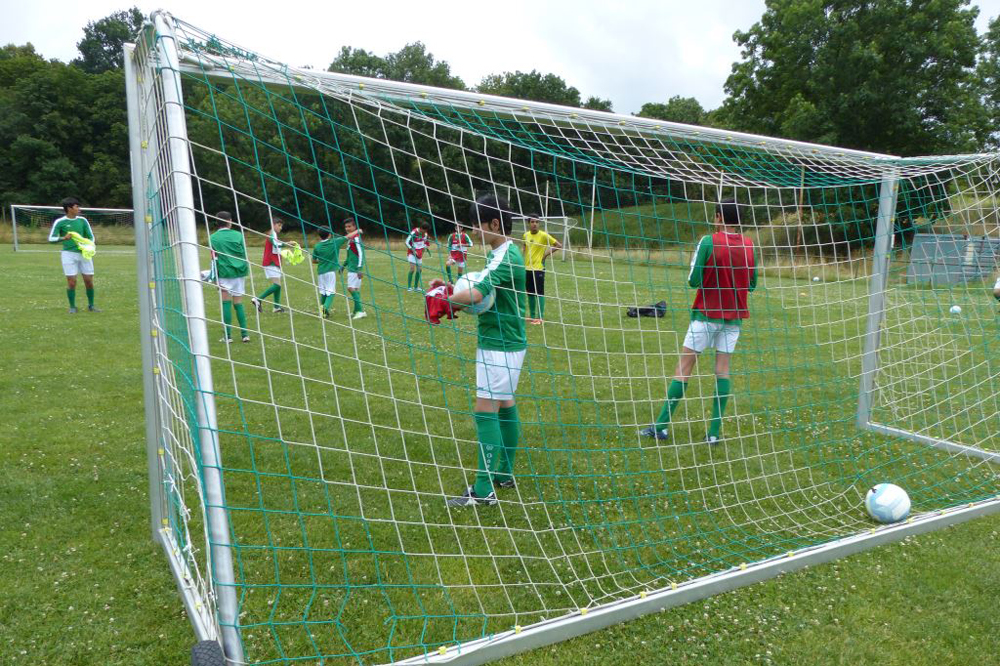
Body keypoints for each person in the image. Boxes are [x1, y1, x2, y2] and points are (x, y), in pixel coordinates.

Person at [641, 199, 757, 445]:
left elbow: (693, 280)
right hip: (734, 319)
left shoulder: (708, 241)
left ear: (717, 217)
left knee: (683, 369)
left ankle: (660, 427)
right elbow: (752, 283)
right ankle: (713, 433)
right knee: (722, 371)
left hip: (705, 315)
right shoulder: (749, 245)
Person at [447, 195, 527, 508]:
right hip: (507, 343)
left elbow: (479, 293)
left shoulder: (507, 256)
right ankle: (503, 473)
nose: (474, 232)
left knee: (485, 411)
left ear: (494, 223)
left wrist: (445, 302)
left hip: (500, 345)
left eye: (477, 225)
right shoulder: (503, 253)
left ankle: (483, 490)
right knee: (505, 403)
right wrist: (450, 290)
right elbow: (480, 288)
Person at [48, 197, 98, 313]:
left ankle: (91, 306)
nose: (79, 209)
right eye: (76, 206)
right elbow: (51, 238)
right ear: (69, 208)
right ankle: (72, 307)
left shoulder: (82, 221)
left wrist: (87, 245)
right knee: (71, 281)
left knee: (89, 281)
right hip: (68, 254)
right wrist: (62, 238)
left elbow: (91, 237)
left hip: (84, 254)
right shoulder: (60, 222)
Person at [209, 212, 251, 343]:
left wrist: (213, 277)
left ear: (217, 222)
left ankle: (228, 336)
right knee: (238, 302)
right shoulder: (239, 235)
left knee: (225, 302)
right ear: (230, 221)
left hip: (224, 273)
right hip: (239, 272)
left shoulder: (213, 237)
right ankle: (245, 335)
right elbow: (244, 254)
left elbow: (213, 258)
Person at [521, 215, 561, 324]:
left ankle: (540, 318)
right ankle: (532, 316)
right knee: (530, 293)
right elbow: (524, 247)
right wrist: (522, 258)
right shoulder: (525, 235)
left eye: (537, 222)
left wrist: (545, 255)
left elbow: (558, 245)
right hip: (527, 269)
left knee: (539, 293)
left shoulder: (543, 235)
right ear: (529, 223)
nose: (535, 224)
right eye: (532, 222)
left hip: (538, 268)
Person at [312, 226, 360, 317]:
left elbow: (313, 261)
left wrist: (322, 261)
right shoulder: (335, 242)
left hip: (320, 272)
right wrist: (358, 231)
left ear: (319, 235)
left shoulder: (317, 246)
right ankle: (325, 308)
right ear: (330, 234)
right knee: (331, 292)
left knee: (323, 292)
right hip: (330, 272)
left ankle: (324, 313)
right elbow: (348, 236)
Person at [252, 217, 286, 314]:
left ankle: (276, 307)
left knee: (278, 285)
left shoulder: (274, 234)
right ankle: (258, 299)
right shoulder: (271, 234)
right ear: (273, 225)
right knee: (277, 285)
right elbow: (276, 244)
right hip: (271, 262)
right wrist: (287, 244)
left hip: (274, 262)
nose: (281, 228)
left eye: (281, 226)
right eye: (279, 225)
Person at [343, 217, 367, 320]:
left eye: (349, 226)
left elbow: (361, 253)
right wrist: (343, 265)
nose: (347, 228)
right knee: (355, 289)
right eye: (346, 227)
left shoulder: (356, 238)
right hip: (351, 267)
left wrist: (359, 268)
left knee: (351, 288)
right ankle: (357, 311)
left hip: (355, 269)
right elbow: (349, 255)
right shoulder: (350, 239)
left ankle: (360, 311)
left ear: (354, 227)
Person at [404, 222, 431, 292]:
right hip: (412, 253)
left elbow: (426, 243)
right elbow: (406, 242)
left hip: (419, 254)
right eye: (425, 230)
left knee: (419, 270)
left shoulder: (425, 234)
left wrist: (425, 248)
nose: (426, 232)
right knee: (412, 269)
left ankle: (416, 287)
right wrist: (413, 250)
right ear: (421, 228)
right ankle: (409, 287)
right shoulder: (414, 232)